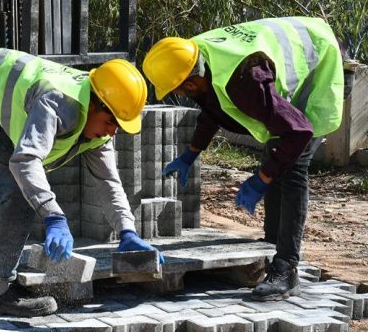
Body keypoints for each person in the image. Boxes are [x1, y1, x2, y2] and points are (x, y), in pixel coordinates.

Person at [0, 49, 162, 317]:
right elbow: (24, 161)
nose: (112, 131)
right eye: (110, 121)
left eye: (119, 126)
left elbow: (108, 181)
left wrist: (127, 231)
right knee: (17, 189)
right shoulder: (58, 104)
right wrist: (53, 216)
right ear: (95, 103)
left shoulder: (98, 126)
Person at [141, 18, 344, 301]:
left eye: (177, 89)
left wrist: (262, 179)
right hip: (287, 56)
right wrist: (191, 153)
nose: (176, 95)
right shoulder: (193, 56)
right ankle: (272, 245)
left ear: (191, 80)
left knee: (291, 168)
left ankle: (286, 268)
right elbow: (214, 108)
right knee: (275, 158)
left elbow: (298, 132)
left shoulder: (245, 82)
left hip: (316, 61)